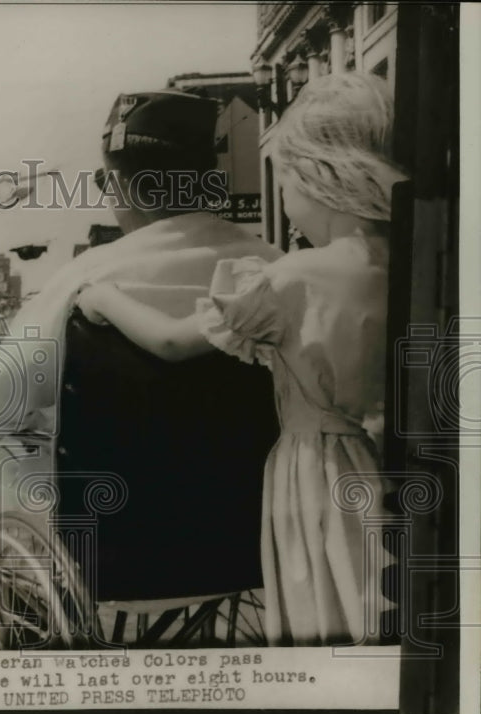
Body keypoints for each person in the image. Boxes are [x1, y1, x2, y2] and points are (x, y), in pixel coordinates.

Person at [75, 72, 404, 646]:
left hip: (317, 469)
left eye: (285, 182)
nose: (284, 198)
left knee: (322, 603)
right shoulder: (401, 265)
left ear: (317, 175)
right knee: (374, 595)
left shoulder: (295, 277)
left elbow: (175, 343)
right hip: (384, 459)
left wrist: (104, 298)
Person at [0, 89, 281, 441]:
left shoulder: (85, 278)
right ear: (210, 176)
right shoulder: (275, 267)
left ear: (117, 185)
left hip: (115, 493)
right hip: (259, 491)